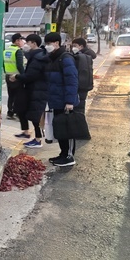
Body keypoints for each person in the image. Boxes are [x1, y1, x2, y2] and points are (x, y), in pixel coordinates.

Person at [43, 32, 80, 167]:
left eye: (49, 43)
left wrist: (69, 102)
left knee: (67, 129)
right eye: (46, 44)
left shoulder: (65, 58)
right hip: (56, 100)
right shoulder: (53, 58)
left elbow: (72, 81)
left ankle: (69, 156)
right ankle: (63, 154)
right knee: (60, 129)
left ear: (57, 43)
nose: (47, 46)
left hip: (65, 101)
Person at [10, 34, 49, 148]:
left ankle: (38, 140)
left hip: (37, 90)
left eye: (28, 43)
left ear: (34, 43)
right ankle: (32, 136)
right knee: (29, 112)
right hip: (34, 89)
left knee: (35, 115)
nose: (25, 45)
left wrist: (16, 77)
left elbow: (31, 75)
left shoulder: (38, 58)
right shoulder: (36, 56)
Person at [3, 33, 25, 120]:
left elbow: (4, 64)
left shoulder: (6, 51)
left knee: (11, 95)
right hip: (16, 76)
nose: (22, 42)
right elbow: (20, 65)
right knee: (18, 96)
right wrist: (23, 75)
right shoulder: (18, 51)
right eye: (20, 40)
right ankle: (18, 113)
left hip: (8, 76)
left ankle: (10, 112)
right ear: (16, 41)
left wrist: (7, 73)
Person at [71, 38, 94, 113]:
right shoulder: (86, 56)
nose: (73, 48)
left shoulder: (83, 57)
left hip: (81, 85)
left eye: (75, 46)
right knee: (80, 107)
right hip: (84, 85)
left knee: (79, 108)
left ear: (81, 46)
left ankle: (79, 122)